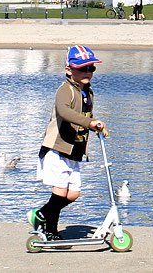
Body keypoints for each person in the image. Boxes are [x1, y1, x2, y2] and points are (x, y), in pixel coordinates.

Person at [28, 46, 107, 241]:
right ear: (69, 70)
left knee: (73, 194)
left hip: (74, 150)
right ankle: (50, 231)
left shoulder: (87, 92)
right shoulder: (65, 90)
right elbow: (64, 112)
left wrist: (96, 126)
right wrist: (89, 122)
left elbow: (85, 117)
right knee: (60, 190)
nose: (88, 72)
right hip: (57, 148)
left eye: (91, 68)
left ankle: (41, 214)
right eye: (82, 68)